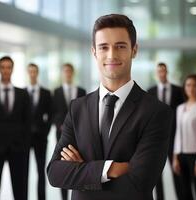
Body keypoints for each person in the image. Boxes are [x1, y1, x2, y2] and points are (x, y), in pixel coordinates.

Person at [47, 14, 173, 200]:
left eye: (120, 46)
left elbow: (141, 183)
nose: (111, 55)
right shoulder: (77, 108)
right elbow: (55, 172)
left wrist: (83, 172)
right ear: (94, 52)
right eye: (103, 47)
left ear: (134, 50)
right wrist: (112, 169)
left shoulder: (156, 112)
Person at [0, 56, 30, 200]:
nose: (5, 70)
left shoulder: (23, 94)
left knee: (20, 190)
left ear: (12, 69)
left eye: (8, 67)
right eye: (2, 67)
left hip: (18, 148)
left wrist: (25, 144)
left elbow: (27, 121)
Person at [148, 62, 184, 200]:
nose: (161, 73)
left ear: (167, 72)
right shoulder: (150, 91)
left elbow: (182, 115)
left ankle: (181, 196)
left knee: (177, 172)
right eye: (159, 71)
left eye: (163, 70)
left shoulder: (178, 90)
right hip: (157, 139)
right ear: (156, 74)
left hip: (175, 137)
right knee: (157, 173)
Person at [52, 63, 86, 200]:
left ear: (72, 73)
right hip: (61, 133)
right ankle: (63, 197)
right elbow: (53, 112)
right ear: (62, 73)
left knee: (76, 162)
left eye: (69, 71)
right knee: (62, 164)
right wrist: (59, 124)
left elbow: (84, 113)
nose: (67, 73)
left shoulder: (81, 91)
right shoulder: (56, 92)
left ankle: (76, 193)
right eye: (65, 71)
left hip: (78, 134)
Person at [26, 63, 52, 200]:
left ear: (37, 73)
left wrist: (46, 131)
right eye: (30, 71)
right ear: (27, 73)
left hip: (41, 138)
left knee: (41, 171)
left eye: (34, 71)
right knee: (23, 171)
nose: (32, 74)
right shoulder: (22, 92)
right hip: (24, 139)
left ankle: (41, 198)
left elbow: (51, 114)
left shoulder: (46, 93)